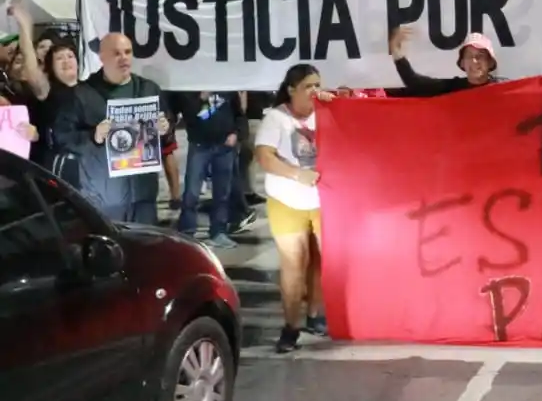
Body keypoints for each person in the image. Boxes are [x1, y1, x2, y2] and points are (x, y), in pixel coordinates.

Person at [51, 32, 171, 223]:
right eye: (116, 53)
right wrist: (93, 136)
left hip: (143, 195)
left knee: (145, 249)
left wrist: (165, 129)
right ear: (102, 57)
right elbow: (63, 137)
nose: (123, 58)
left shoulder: (149, 89)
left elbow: (167, 136)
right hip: (104, 199)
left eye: (128, 52)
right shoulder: (81, 94)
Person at [255, 63, 332, 353]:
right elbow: (264, 156)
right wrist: (296, 174)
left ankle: (315, 315)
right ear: (291, 89)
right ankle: (290, 326)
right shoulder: (276, 118)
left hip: (322, 201)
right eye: (308, 86)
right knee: (294, 265)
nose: (314, 91)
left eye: (317, 85)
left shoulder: (325, 112)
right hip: (287, 201)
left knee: (321, 261)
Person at [172, 91, 243, 248]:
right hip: (199, 146)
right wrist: (200, 99)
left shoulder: (228, 88)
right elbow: (189, 118)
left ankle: (219, 232)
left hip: (225, 147)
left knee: (222, 193)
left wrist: (236, 133)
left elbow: (239, 114)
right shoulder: (188, 91)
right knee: (192, 192)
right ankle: (187, 231)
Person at [388, 27, 504, 97]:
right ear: (462, 63)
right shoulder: (453, 88)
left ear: (490, 62)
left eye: (480, 56)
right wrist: (396, 51)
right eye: (469, 56)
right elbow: (416, 83)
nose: (474, 61)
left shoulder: (503, 89)